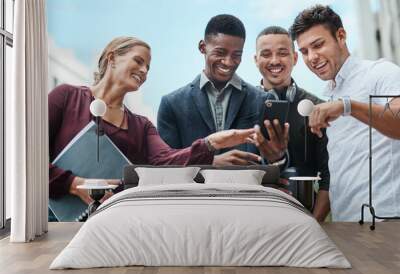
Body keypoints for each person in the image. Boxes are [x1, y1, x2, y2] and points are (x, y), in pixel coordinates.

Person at [49, 36, 256, 205]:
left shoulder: (142, 125)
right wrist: (74, 184)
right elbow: (29, 158)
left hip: (116, 216)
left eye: (148, 67)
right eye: (138, 61)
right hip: (57, 217)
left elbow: (168, 161)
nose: (144, 71)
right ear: (112, 58)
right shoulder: (66, 97)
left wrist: (212, 142)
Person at [290, 5, 400, 221]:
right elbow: (342, 173)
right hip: (348, 226)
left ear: (341, 36)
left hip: (386, 223)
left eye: (318, 45)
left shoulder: (379, 72)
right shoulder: (331, 96)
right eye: (304, 51)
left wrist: (347, 106)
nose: (312, 57)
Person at [157, 14, 287, 166]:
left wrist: (277, 158)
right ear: (202, 47)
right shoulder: (172, 104)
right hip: (194, 190)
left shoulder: (263, 100)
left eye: (236, 55)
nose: (228, 62)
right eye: (220, 53)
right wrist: (210, 163)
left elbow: (278, 163)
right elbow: (165, 165)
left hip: (249, 189)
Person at [253, 26, 330, 222]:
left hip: (304, 215)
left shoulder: (319, 108)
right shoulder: (243, 107)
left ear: (295, 58)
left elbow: (329, 181)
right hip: (255, 217)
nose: (275, 61)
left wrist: (314, 226)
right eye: (266, 54)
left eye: (282, 53)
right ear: (256, 60)